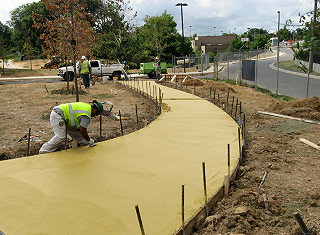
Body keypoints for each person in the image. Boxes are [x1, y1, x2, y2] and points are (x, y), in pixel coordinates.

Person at [39, 100, 104, 154]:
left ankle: (83, 144)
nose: (95, 116)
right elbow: (83, 131)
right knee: (61, 136)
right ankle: (44, 150)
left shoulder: (86, 107)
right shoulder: (86, 115)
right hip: (58, 115)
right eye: (96, 114)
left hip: (63, 117)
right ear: (95, 110)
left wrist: (85, 138)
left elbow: (79, 129)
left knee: (78, 136)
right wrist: (89, 140)